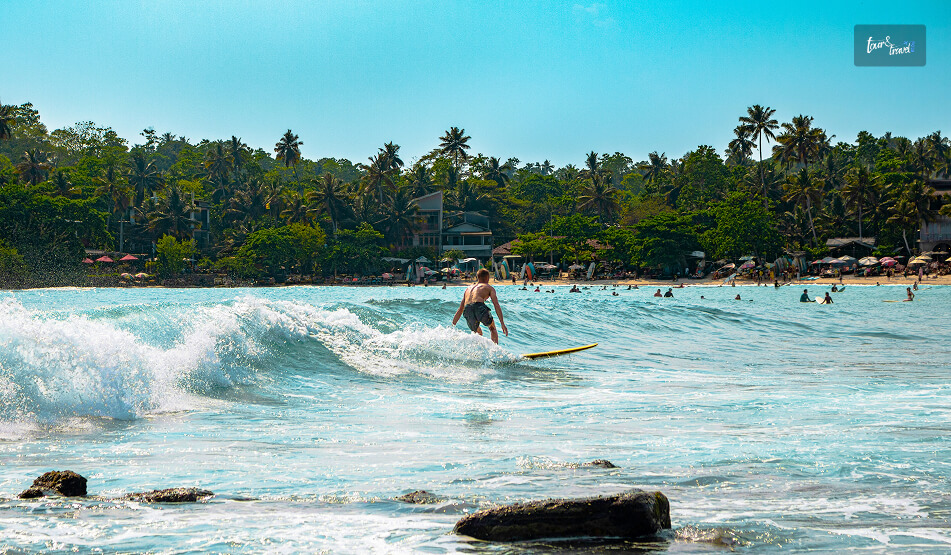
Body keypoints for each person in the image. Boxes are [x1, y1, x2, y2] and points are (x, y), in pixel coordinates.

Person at [452, 268, 508, 344]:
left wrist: (452, 325)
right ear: (487, 278)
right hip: (479, 306)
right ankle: (495, 349)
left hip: (467, 309)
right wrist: (502, 323)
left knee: (477, 333)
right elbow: (496, 305)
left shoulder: (468, 289)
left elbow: (460, 309)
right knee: (492, 328)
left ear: (478, 277)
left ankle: (478, 350)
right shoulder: (488, 287)